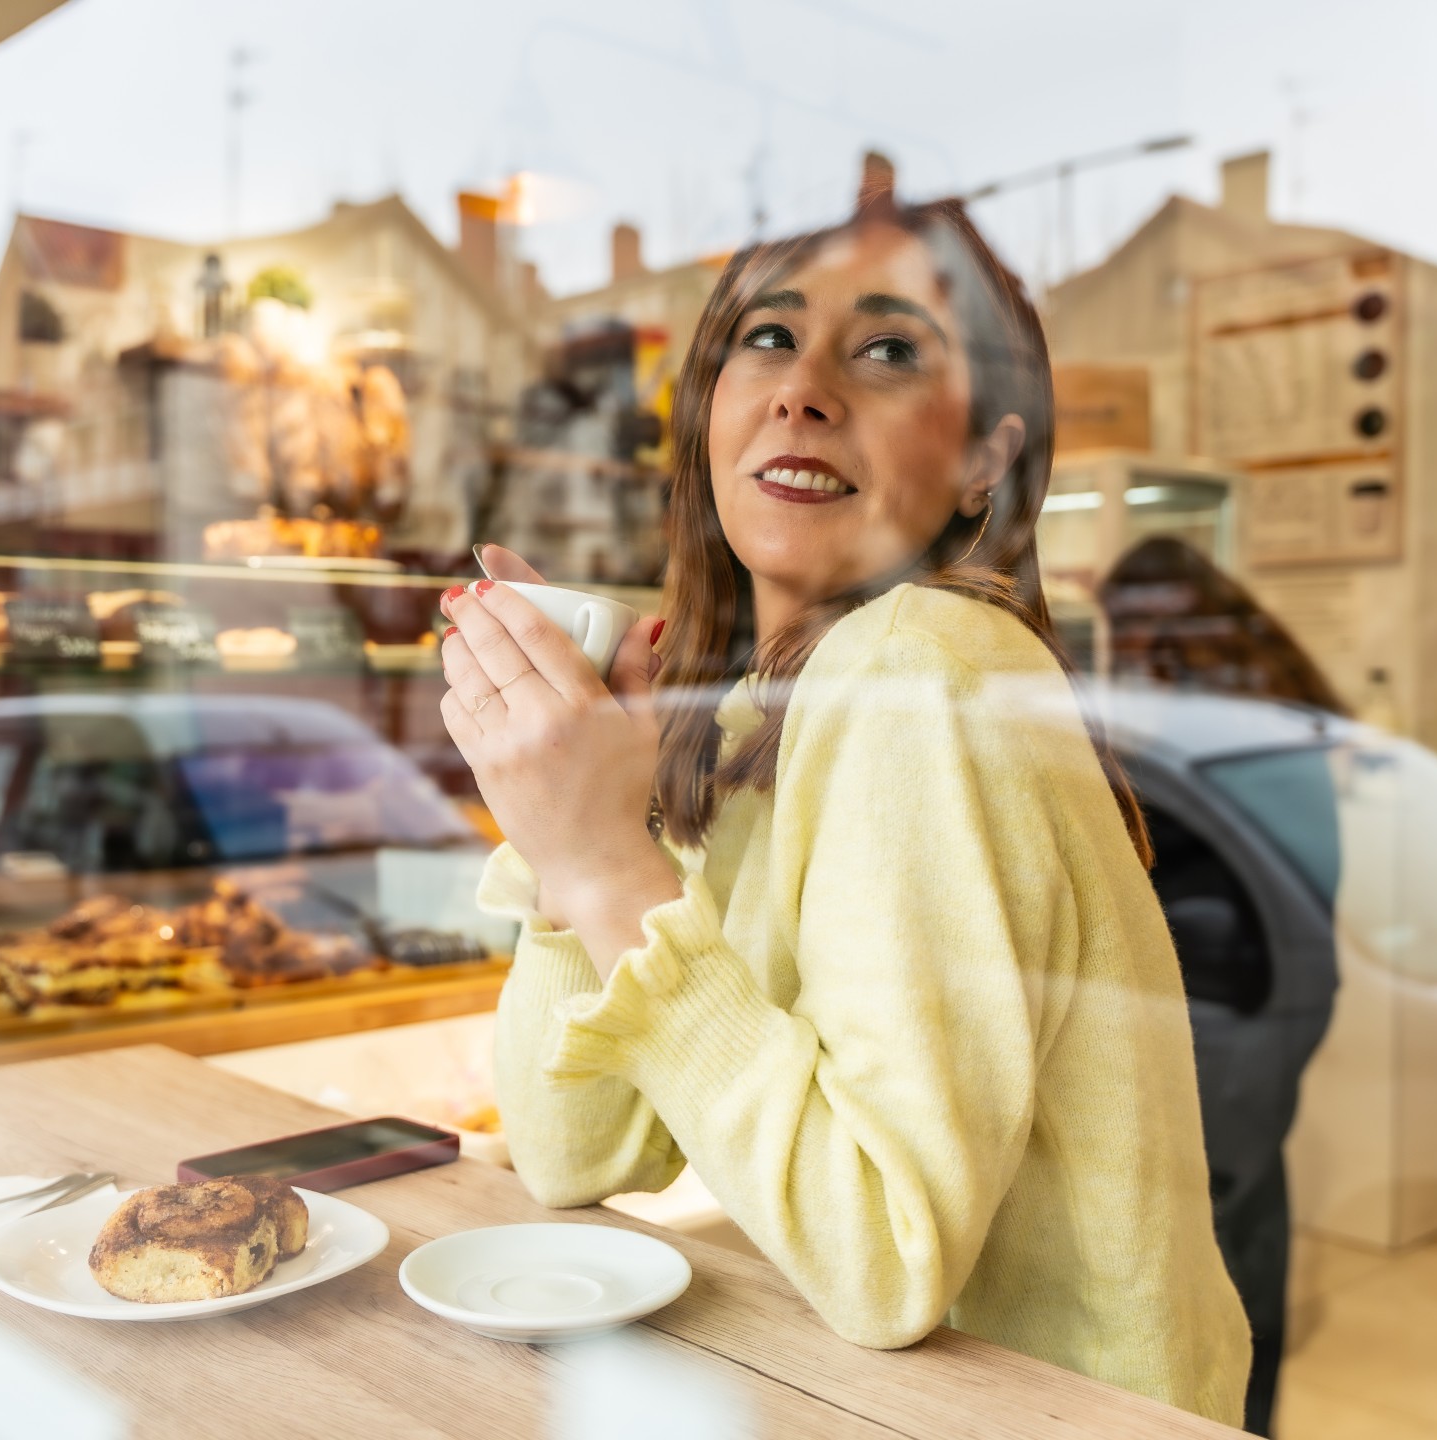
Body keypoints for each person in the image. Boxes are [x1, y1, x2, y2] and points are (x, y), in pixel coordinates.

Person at [435, 192, 1249, 1425]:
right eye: (765, 338)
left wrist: (604, 860)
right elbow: (574, 1155)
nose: (802, 389)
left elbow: (887, 1259)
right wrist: (573, 846)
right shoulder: (760, 710)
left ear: (987, 460)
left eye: (884, 350)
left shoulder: (920, 665)